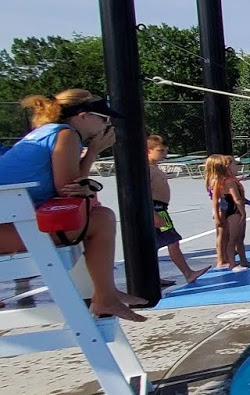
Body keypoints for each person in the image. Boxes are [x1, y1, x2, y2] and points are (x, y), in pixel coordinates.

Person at [0, 90, 147, 321]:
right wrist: (93, 154)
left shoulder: (43, 133)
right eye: (103, 118)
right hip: (11, 229)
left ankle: (105, 294)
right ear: (83, 116)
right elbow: (68, 192)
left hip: (10, 223)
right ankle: (104, 296)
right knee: (102, 220)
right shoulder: (66, 135)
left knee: (96, 216)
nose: (106, 124)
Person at [147, 135, 203, 284]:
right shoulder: (147, 169)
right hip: (157, 210)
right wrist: (153, 213)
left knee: (156, 244)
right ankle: (188, 273)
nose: (164, 154)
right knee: (173, 241)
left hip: (161, 209)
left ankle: (153, 277)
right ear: (149, 150)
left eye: (165, 151)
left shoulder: (154, 167)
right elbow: (143, 193)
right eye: (160, 150)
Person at [204, 155, 250, 270]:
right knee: (231, 238)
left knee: (239, 237)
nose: (237, 167)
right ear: (227, 167)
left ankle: (243, 260)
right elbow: (236, 199)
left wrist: (248, 202)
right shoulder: (226, 181)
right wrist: (242, 212)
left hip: (230, 208)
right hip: (231, 209)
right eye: (234, 165)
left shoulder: (229, 180)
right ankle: (230, 263)